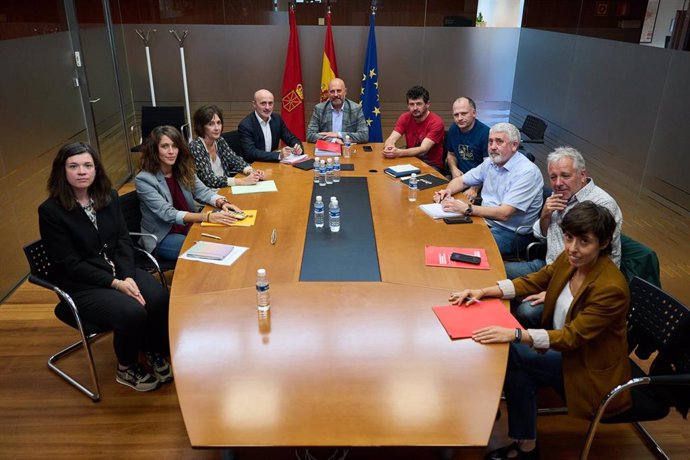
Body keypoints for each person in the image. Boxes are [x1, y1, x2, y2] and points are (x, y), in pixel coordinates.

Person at [449, 202, 631, 460]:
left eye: (584, 241)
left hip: (587, 368)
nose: (572, 248)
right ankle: (526, 446)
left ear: (603, 244)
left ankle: (479, 405)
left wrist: (516, 334)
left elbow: (571, 337)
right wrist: (484, 291)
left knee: (513, 351)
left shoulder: (610, 288)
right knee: (518, 366)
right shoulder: (570, 260)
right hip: (566, 351)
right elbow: (535, 280)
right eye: (569, 238)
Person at [38, 142, 171, 392]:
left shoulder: (108, 196)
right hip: (83, 284)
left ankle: (152, 349)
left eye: (88, 165)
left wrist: (127, 276)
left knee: (159, 297)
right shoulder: (51, 211)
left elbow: (122, 240)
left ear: (96, 169)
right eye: (73, 166)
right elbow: (69, 264)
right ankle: (126, 367)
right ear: (62, 171)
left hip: (119, 271)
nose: (82, 171)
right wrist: (116, 283)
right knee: (132, 312)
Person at [506, 147, 623, 328]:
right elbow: (540, 235)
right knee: (501, 271)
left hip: (577, 280)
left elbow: (603, 261)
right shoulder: (560, 194)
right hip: (550, 267)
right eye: (553, 177)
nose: (558, 183)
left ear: (582, 175)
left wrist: (556, 292)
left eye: (565, 175)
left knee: (526, 311)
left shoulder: (601, 205)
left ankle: (538, 342)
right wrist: (545, 214)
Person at [434, 122, 543, 257]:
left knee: (462, 247)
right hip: (486, 221)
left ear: (514, 145)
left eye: (499, 142)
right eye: (490, 142)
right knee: (445, 233)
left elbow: (504, 214)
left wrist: (467, 209)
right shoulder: (491, 162)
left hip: (511, 234)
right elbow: (461, 181)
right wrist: (447, 191)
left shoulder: (527, 172)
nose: (492, 147)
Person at [136, 125, 244, 260]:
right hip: (163, 236)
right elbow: (168, 213)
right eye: (165, 146)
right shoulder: (144, 179)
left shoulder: (181, 168)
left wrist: (221, 202)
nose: (171, 151)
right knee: (212, 252)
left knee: (227, 237)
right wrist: (207, 217)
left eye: (174, 146)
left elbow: (202, 190)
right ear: (154, 150)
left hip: (188, 227)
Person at [189, 105, 265, 188]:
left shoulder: (219, 141)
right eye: (211, 124)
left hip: (225, 189)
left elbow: (234, 160)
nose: (217, 128)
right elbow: (209, 180)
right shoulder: (196, 147)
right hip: (208, 195)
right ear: (201, 127)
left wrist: (251, 172)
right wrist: (242, 181)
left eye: (219, 123)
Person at [383, 85, 445, 172]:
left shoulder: (436, 122)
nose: (415, 108)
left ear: (427, 104)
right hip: (410, 161)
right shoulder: (404, 117)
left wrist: (399, 152)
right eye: (411, 104)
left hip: (431, 165)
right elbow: (391, 139)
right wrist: (389, 147)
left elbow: (423, 149)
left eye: (419, 104)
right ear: (408, 105)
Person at [238, 89, 304, 162]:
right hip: (253, 166)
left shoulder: (277, 119)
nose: (267, 107)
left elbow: (290, 138)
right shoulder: (246, 125)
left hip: (271, 164)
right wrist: (278, 155)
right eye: (263, 103)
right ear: (254, 104)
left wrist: (298, 147)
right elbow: (250, 152)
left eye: (270, 103)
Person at [446, 97, 489, 199]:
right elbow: (451, 155)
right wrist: (453, 169)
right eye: (456, 115)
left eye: (464, 113)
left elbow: (488, 168)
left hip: (480, 184)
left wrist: (474, 189)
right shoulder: (453, 129)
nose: (459, 118)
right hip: (460, 180)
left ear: (474, 113)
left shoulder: (486, 133)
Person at [306, 78, 369, 144]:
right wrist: (332, 140)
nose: (335, 95)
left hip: (348, 150)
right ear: (328, 93)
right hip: (327, 150)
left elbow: (364, 136)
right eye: (332, 91)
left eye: (339, 91)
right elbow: (310, 135)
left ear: (345, 92)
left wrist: (339, 134)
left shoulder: (356, 109)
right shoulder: (319, 109)